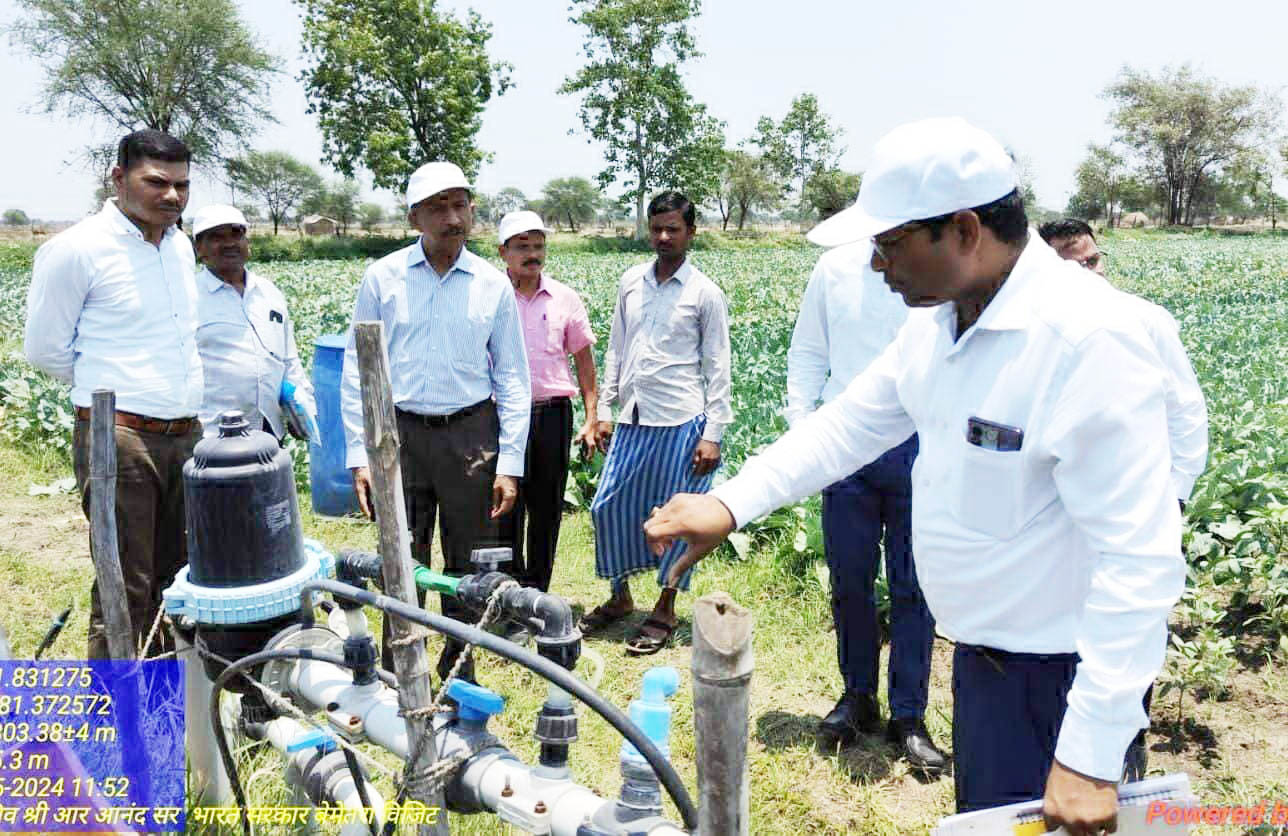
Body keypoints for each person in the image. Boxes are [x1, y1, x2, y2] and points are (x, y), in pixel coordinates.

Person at [644, 118, 1185, 833]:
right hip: (986, 669)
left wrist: (1090, 751)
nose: (876, 265)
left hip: (1065, 681)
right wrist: (730, 504)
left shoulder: (1086, 340)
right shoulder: (939, 329)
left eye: (890, 242)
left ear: (963, 231)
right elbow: (847, 425)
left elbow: (1139, 557)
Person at [340, 161, 531, 683]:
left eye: (460, 204)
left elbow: (513, 376)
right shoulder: (384, 278)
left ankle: (459, 667)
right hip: (397, 434)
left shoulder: (492, 284)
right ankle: (399, 662)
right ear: (414, 217)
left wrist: (509, 461)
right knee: (400, 549)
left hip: (470, 433)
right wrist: (360, 455)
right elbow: (359, 369)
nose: (453, 217)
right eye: (439, 207)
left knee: (469, 558)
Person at [1039, 216, 1209, 781]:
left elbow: (1186, 415)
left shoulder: (1144, 320)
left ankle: (1123, 768)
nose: (1088, 274)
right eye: (1071, 265)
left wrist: (1171, 500)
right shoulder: (1037, 332)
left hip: (1130, 519)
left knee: (1126, 646)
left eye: (1092, 261)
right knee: (1064, 647)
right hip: (1060, 530)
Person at [25, 129, 202, 659]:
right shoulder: (77, 249)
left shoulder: (180, 247)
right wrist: (112, 394)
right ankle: (114, 721)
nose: (172, 195)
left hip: (185, 437)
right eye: (157, 182)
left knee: (182, 581)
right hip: (119, 439)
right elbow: (46, 351)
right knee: (125, 584)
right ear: (119, 179)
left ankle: (168, 706)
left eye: (182, 185)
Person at [786, 241, 944, 772]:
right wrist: (801, 431)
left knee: (913, 585)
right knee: (849, 581)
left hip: (920, 440)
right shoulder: (833, 266)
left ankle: (908, 714)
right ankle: (858, 696)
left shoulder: (932, 257)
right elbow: (809, 351)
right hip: (846, 443)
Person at [578, 191, 732, 656]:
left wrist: (713, 434)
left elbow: (718, 366)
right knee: (607, 508)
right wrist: (604, 410)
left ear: (691, 233)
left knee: (674, 521)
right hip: (633, 417)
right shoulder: (631, 282)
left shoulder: (705, 292)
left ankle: (664, 607)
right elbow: (616, 350)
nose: (664, 237)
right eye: (657, 228)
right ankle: (620, 597)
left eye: (674, 229)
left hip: (681, 420)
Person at [497, 210, 600, 612]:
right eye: (522, 246)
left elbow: (584, 360)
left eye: (538, 246)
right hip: (501, 415)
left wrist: (591, 415)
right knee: (503, 508)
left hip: (553, 414)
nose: (532, 254)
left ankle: (536, 596)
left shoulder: (565, 298)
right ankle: (507, 597)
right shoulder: (491, 295)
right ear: (503, 252)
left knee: (546, 508)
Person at [191, 204, 316, 441]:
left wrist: (304, 408)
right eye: (216, 236)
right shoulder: (188, 297)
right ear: (200, 248)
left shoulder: (270, 293)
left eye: (236, 233)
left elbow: (289, 360)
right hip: (211, 435)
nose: (229, 243)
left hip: (269, 431)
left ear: (247, 242)